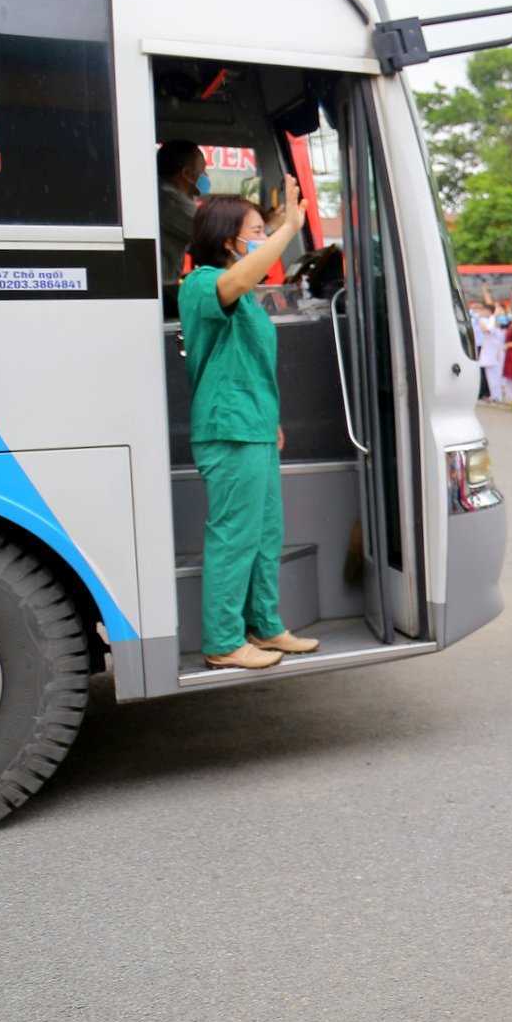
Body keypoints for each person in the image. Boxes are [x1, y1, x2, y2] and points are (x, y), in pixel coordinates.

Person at [177, 178, 320, 671]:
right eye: (255, 232)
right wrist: (289, 232)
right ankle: (223, 640)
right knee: (234, 535)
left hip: (253, 426)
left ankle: (265, 623)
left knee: (264, 534)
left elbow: (249, 367)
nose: (263, 238)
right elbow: (239, 282)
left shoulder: (244, 289)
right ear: (226, 240)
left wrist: (271, 421)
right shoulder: (203, 284)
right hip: (229, 428)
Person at [157, 140, 208, 313]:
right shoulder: (171, 201)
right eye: (203, 171)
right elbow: (215, 233)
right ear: (187, 173)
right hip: (163, 291)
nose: (206, 177)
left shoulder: (164, 195)